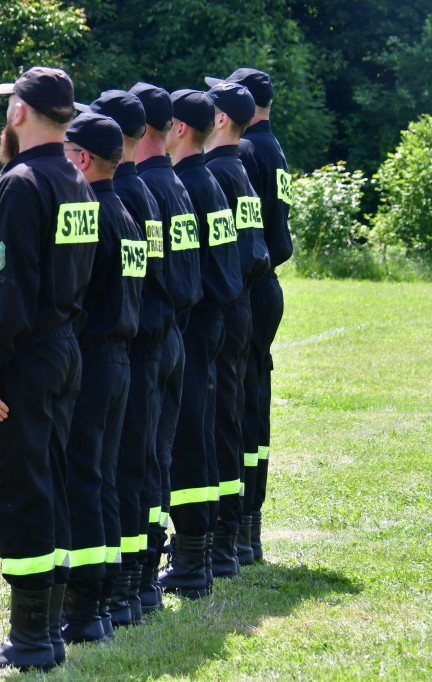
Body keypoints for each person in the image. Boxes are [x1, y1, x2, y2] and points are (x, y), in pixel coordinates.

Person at [0, 66, 96, 672]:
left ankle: (32, 639)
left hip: (21, 359)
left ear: (19, 112)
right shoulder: (75, 179)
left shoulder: (20, 184)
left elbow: (6, 283)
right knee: (49, 487)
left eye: (8, 104)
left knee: (17, 491)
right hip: (60, 350)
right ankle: (48, 629)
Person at [59, 111, 145, 638]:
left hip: (92, 361)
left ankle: (86, 609)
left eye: (66, 151)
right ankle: (115, 597)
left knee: (83, 479)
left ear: (83, 158)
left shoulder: (91, 213)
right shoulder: (127, 213)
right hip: (121, 359)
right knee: (105, 477)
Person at [89, 89, 172, 618]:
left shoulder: (121, 196)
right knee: (147, 461)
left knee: (125, 468)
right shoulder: (147, 192)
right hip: (158, 337)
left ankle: (126, 588)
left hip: (134, 346)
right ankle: (138, 584)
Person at [209, 68, 293, 563]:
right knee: (252, 402)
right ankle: (247, 527)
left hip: (249, 286)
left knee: (237, 406)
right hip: (265, 286)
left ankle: (239, 524)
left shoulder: (245, 152)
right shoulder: (271, 145)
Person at [164, 89, 242, 594]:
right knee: (206, 430)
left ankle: (194, 561)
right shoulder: (208, 180)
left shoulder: (189, 185)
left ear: (178, 129)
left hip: (197, 322)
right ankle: (213, 548)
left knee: (190, 435)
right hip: (217, 316)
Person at [129, 82, 202, 596]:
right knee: (156, 456)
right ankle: (149, 571)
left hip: (149, 340)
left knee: (138, 458)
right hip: (176, 331)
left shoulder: (150, 189)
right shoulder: (174, 184)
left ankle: (137, 578)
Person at [203, 81, 271, 576]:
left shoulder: (220, 173)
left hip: (228, 307)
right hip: (248, 298)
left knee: (221, 417)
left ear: (222, 119)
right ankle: (241, 534)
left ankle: (228, 535)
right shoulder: (242, 168)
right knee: (240, 413)